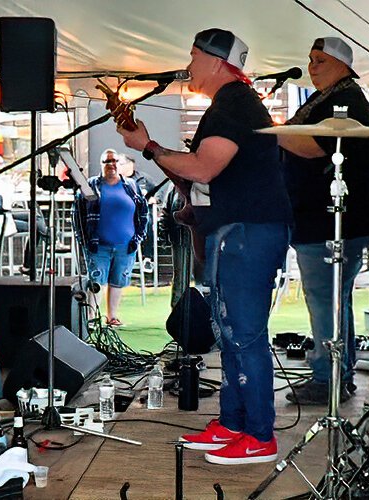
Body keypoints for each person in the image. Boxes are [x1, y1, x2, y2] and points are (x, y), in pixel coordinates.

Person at [118, 28, 292, 465]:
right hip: (236, 230)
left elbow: (205, 167)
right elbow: (202, 175)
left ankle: (259, 435)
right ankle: (234, 424)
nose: (189, 64)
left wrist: (150, 146)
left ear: (217, 62)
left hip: (248, 232)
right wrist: (153, 153)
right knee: (229, 333)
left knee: (243, 334)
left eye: (194, 55)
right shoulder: (230, 104)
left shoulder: (234, 104)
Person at [278, 36, 369, 405]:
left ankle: (327, 377)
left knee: (325, 299)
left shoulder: (346, 99)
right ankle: (339, 371)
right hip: (325, 218)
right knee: (335, 298)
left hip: (333, 220)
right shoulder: (329, 96)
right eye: (310, 59)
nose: (312, 67)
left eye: (320, 60)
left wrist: (273, 131)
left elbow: (313, 146)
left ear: (343, 64)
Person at [74, 148, 149, 326]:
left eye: (115, 161)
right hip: (98, 245)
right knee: (96, 282)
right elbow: (78, 215)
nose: (111, 165)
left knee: (118, 281)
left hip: (126, 244)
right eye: (107, 162)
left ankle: (112, 316)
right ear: (101, 165)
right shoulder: (90, 186)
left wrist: (138, 237)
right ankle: (91, 319)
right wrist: (83, 239)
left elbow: (143, 211)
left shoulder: (130, 186)